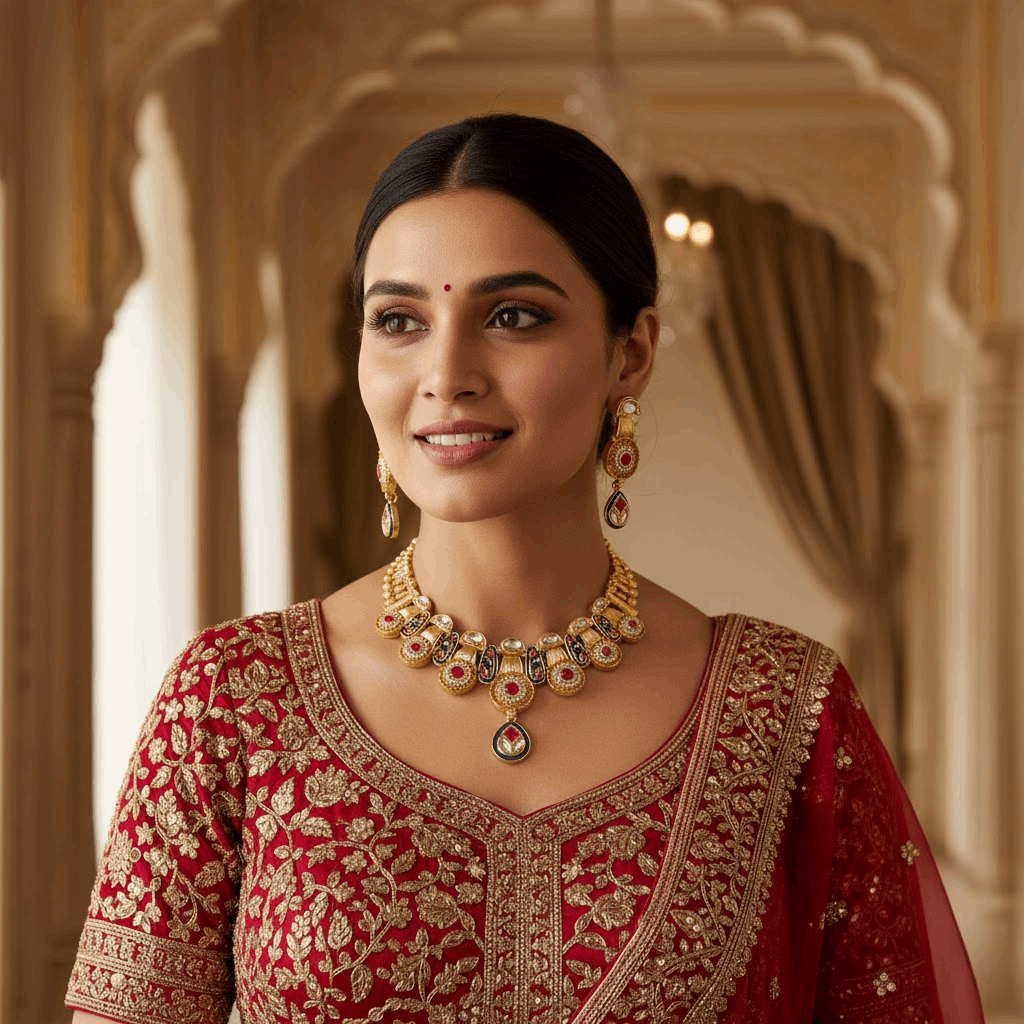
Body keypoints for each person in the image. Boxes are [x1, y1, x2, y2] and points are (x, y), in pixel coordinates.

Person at [66, 113, 984, 1023]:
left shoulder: (783, 711)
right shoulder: (232, 698)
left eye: (513, 317)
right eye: (398, 320)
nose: (446, 372)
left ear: (631, 354)